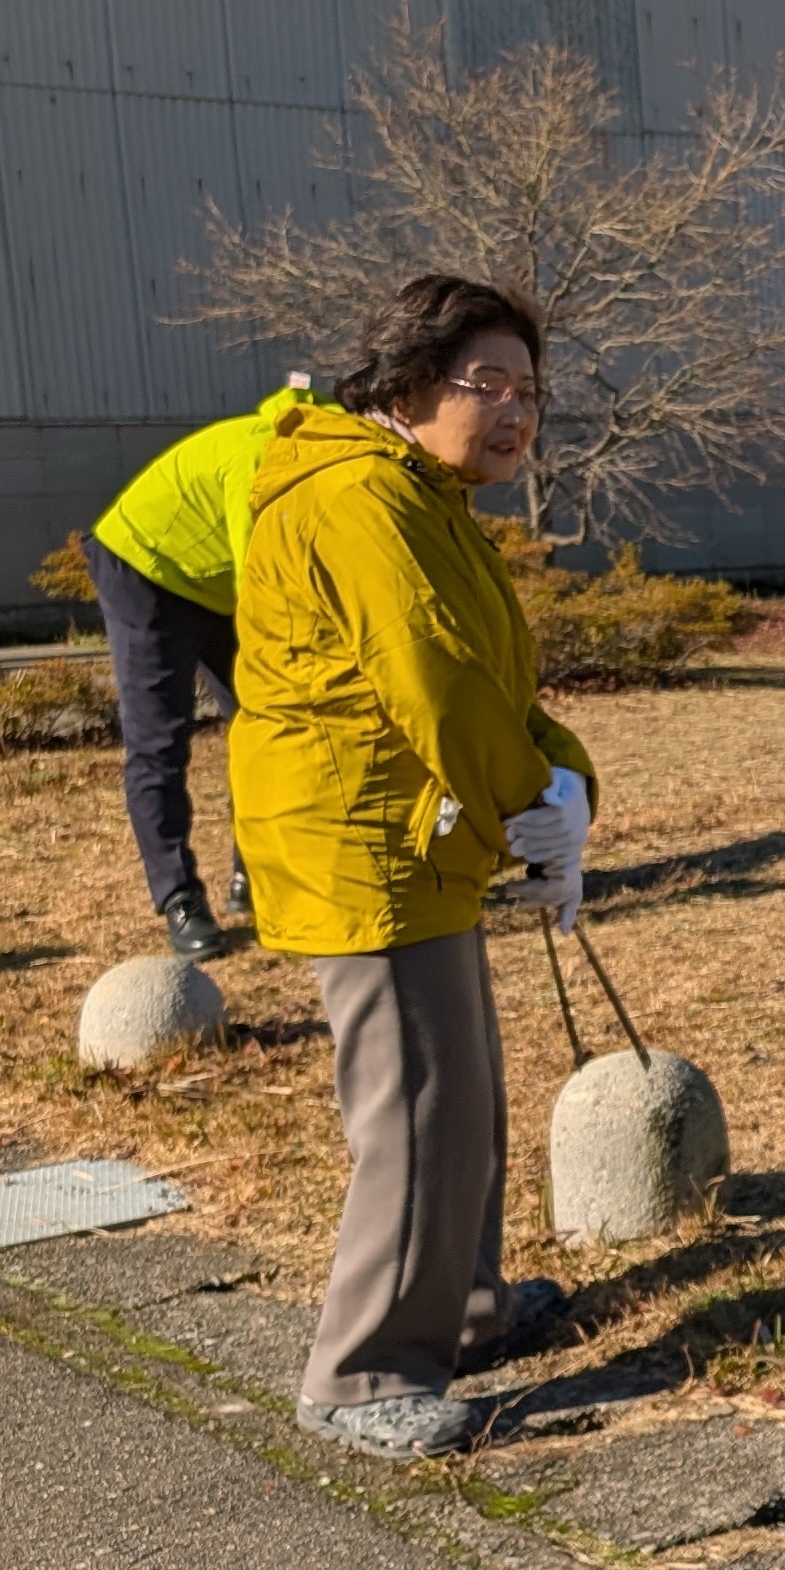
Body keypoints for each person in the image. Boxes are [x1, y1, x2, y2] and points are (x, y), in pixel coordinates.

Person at [230, 273, 598, 1460]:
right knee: (422, 1107)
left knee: (466, 1093)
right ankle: (363, 1373)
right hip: (365, 845)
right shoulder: (358, 498)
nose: (511, 412)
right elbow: (432, 682)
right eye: (483, 383)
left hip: (413, 833)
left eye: (528, 391)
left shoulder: (420, 494)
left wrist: (564, 781)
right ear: (405, 380)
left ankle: (465, 1306)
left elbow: (491, 680)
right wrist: (524, 799)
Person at [86, 379, 305, 960]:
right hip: (145, 568)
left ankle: (254, 873)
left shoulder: (334, 466)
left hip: (214, 580)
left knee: (271, 723)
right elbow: (263, 588)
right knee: (160, 740)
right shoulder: (257, 465)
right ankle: (179, 897)